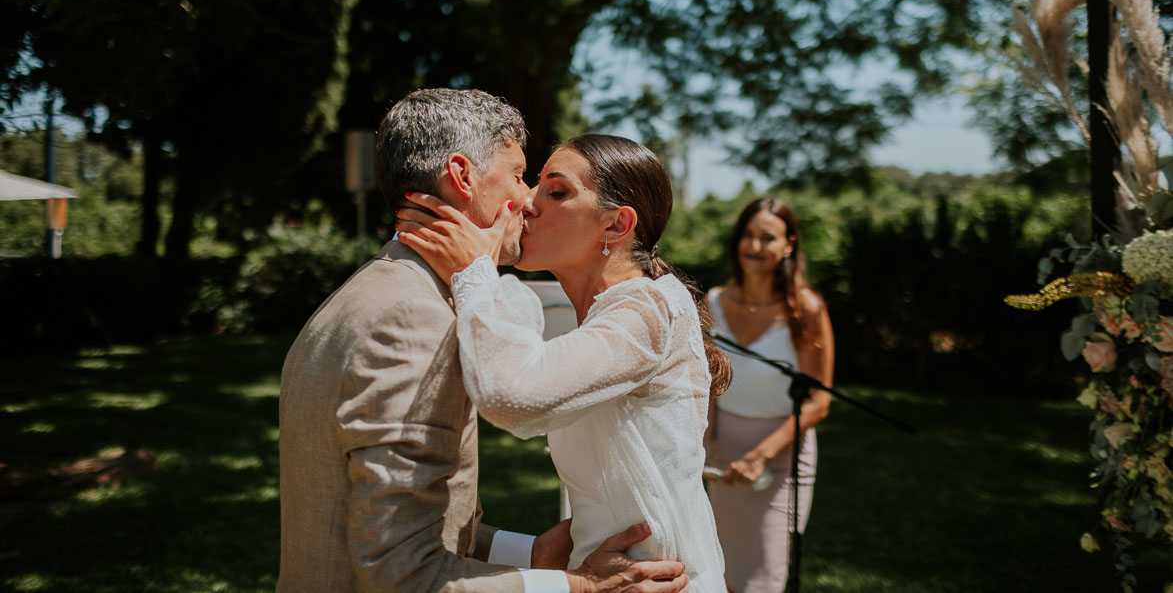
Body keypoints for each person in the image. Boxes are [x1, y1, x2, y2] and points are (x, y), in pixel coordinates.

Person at [277, 90, 690, 593]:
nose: (528, 200)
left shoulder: (371, 290)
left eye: (550, 190)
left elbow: (409, 516)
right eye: (520, 176)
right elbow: (401, 571)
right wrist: (580, 587)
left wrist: (531, 554)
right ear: (462, 176)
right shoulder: (413, 318)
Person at [396, 133, 732, 593]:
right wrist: (543, 552)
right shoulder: (609, 312)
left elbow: (512, 397)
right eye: (534, 184)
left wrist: (473, 271)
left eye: (557, 192)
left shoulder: (646, 311)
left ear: (616, 226)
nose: (527, 203)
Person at [703, 197, 835, 593]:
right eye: (748, 235)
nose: (755, 247)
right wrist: (705, 444)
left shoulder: (806, 309)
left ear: (789, 245)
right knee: (718, 571)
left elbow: (819, 402)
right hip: (722, 456)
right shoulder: (713, 302)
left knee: (764, 578)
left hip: (780, 461)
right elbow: (710, 383)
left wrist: (761, 456)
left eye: (767, 238)